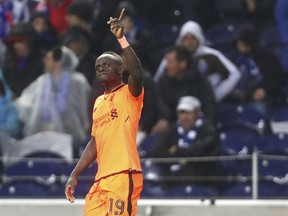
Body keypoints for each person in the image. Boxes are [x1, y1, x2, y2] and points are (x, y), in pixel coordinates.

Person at [65, 9, 144, 216]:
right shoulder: (99, 102)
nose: (101, 68)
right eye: (98, 66)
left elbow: (136, 73)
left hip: (123, 174)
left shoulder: (129, 94)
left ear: (120, 69)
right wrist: (75, 174)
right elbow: (94, 142)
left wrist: (122, 40)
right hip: (101, 179)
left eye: (107, 64)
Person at [15, 45, 91, 156]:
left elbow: (82, 111)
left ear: (58, 62)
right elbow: (26, 103)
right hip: (42, 137)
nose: (44, 61)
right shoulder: (42, 81)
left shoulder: (78, 82)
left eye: (48, 58)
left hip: (72, 139)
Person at [154, 20, 241, 103]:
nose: (189, 42)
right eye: (186, 38)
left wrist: (217, 95)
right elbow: (158, 79)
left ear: (199, 38)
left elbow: (235, 73)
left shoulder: (211, 55)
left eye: (193, 38)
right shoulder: (173, 55)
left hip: (206, 101)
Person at [150, 96, 222, 189]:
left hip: (200, 182)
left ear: (197, 112)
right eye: (182, 112)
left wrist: (177, 151)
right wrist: (179, 160)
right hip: (173, 182)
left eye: (189, 112)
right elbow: (158, 152)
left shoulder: (208, 130)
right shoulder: (172, 130)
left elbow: (202, 149)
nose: (185, 116)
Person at [151, 45, 216, 134]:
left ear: (182, 64)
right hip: (172, 125)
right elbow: (162, 107)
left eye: (170, 62)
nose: (166, 66)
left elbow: (209, 107)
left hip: (197, 126)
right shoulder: (163, 81)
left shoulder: (199, 81)